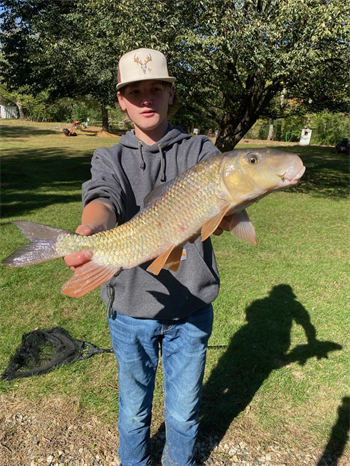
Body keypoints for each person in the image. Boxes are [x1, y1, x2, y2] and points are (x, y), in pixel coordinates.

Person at [64, 48, 227, 466]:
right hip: (131, 312)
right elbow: (102, 198)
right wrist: (91, 231)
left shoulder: (200, 151)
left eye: (156, 88)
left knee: (183, 415)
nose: (146, 99)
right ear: (121, 100)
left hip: (190, 310)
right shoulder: (110, 156)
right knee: (134, 413)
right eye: (135, 91)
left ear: (171, 93)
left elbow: (228, 201)